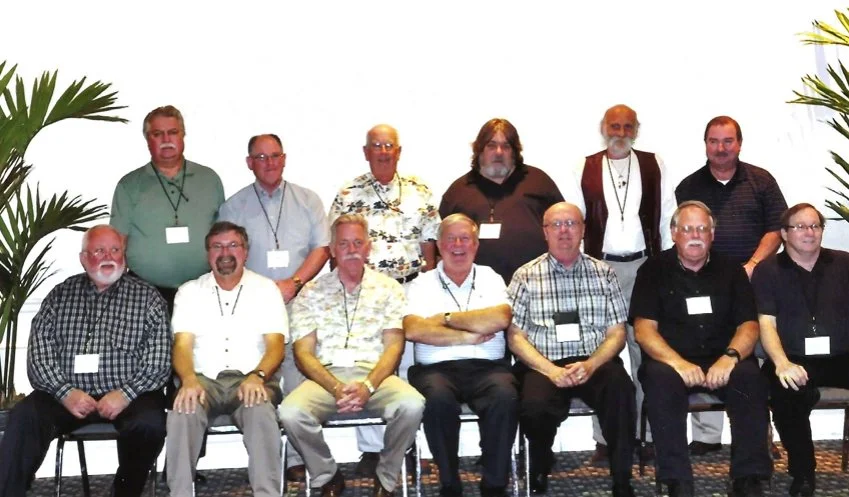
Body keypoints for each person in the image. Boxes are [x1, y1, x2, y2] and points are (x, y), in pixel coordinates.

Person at [0, 225, 171, 497]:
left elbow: (159, 361)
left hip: (129, 394)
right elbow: (39, 354)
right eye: (99, 250)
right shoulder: (60, 295)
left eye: (115, 250)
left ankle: (125, 490)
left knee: (150, 424)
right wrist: (65, 392)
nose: (109, 257)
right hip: (67, 394)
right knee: (25, 415)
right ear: (83, 258)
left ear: (124, 255)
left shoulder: (148, 298)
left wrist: (125, 394)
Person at [631, 201, 772, 497]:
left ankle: (747, 478)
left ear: (712, 234)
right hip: (671, 361)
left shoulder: (732, 270)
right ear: (674, 233)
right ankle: (677, 481)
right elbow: (644, 330)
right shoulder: (653, 270)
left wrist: (730, 357)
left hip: (724, 356)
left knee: (751, 379)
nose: (695, 235)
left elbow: (749, 326)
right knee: (659, 382)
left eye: (702, 229)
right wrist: (678, 363)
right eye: (687, 229)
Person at [279, 214, 425, 497]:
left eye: (358, 243)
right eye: (344, 244)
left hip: (375, 375)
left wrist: (368, 386)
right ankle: (327, 476)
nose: (352, 250)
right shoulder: (310, 292)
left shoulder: (389, 288)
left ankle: (386, 477)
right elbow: (303, 353)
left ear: (369, 247)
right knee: (291, 412)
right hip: (325, 377)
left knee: (412, 405)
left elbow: (394, 347)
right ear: (332, 250)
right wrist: (335, 387)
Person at [217, 133, 330, 481]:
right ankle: (266, 457)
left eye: (275, 156)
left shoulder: (308, 200)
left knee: (297, 374)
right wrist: (264, 290)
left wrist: (294, 283)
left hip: (300, 299)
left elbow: (322, 248)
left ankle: (296, 457)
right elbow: (226, 256)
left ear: (284, 158)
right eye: (261, 157)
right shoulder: (233, 206)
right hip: (252, 305)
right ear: (249, 163)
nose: (269, 163)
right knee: (259, 376)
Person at [328, 124, 439, 474]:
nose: (383, 151)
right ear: (366, 152)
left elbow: (430, 247)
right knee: (366, 365)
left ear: (398, 151)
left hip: (411, 288)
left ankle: (411, 446)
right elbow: (336, 248)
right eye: (376, 145)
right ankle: (373, 450)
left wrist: (429, 288)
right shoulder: (348, 193)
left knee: (410, 367)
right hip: (366, 291)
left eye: (389, 145)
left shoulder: (419, 191)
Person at [675, 115, 787, 458]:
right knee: (705, 342)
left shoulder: (761, 180)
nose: (721, 148)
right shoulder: (689, 186)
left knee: (755, 352)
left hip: (754, 277)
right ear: (705, 145)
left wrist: (752, 265)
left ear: (739, 143)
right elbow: (687, 233)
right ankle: (707, 435)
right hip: (706, 280)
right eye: (714, 141)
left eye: (727, 141)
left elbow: (777, 228)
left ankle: (761, 435)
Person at [507, 202, 636, 497]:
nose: (564, 231)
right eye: (556, 224)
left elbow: (617, 333)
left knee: (621, 392)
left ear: (583, 230)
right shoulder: (525, 276)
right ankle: (539, 468)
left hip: (594, 361)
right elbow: (515, 337)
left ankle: (622, 479)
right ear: (545, 232)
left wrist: (591, 364)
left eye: (571, 224)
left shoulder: (604, 273)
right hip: (543, 363)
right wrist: (550, 370)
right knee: (534, 406)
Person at [572, 104, 676, 462]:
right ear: (603, 128)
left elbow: (667, 215)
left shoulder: (654, 164)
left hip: (646, 266)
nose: (620, 133)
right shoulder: (583, 166)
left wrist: (667, 266)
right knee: (601, 352)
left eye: (627, 127)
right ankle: (606, 439)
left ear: (637, 130)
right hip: (599, 269)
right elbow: (576, 220)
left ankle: (648, 435)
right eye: (614, 126)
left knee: (645, 351)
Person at [166, 222, 287, 497]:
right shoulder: (189, 291)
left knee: (260, 412)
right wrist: (188, 380)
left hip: (251, 378)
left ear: (245, 251)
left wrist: (258, 376)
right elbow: (182, 345)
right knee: (182, 410)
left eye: (233, 245)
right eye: (217, 247)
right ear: (207, 253)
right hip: (203, 380)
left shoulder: (266, 289)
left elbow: (276, 346)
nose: (225, 253)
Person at [404, 213, 518, 497]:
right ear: (439, 245)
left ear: (476, 244)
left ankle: (494, 484)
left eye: (465, 238)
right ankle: (449, 482)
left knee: (505, 396)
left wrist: (444, 319)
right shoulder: (421, 284)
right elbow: (415, 329)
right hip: (436, 371)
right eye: (451, 239)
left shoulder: (490, 277)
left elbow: (500, 318)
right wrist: (468, 334)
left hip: (488, 368)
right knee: (437, 401)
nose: (458, 245)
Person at [752, 203, 849, 496]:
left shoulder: (844, 263)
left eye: (815, 226)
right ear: (784, 233)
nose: (809, 232)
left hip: (840, 356)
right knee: (786, 395)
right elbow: (766, 323)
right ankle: (803, 472)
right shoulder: (768, 270)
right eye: (800, 226)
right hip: (791, 357)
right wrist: (781, 363)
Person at [110, 105, 225, 312]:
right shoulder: (129, 185)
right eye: (157, 134)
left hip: (203, 291)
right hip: (144, 294)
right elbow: (117, 244)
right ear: (148, 140)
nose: (166, 139)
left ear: (183, 135)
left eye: (172, 132)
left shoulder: (209, 180)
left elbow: (224, 238)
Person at [439, 118, 564, 284]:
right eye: (491, 145)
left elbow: (563, 229)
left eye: (506, 146)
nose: (499, 152)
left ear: (514, 152)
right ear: (479, 150)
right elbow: (441, 244)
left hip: (537, 284)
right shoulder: (458, 192)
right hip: (477, 289)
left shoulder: (539, 182)